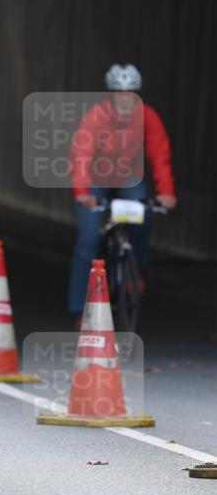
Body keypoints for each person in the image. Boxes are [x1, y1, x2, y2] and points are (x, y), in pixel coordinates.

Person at [68, 63, 176, 318]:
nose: (125, 97)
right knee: (89, 239)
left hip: (128, 177)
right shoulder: (96, 116)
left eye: (131, 92)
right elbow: (81, 154)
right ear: (111, 93)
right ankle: (77, 308)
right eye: (119, 92)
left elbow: (160, 154)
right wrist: (82, 191)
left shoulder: (148, 117)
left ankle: (136, 268)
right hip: (96, 177)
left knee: (145, 215)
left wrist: (166, 192)